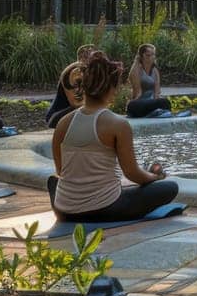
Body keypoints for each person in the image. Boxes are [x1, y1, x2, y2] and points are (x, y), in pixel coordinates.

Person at [47, 51, 180, 222]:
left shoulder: (63, 123)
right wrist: (154, 177)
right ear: (112, 88)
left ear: (84, 85)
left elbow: (60, 171)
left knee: (53, 181)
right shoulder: (118, 124)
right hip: (104, 209)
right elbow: (133, 174)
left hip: (64, 210)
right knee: (169, 188)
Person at [45, 44, 97, 128]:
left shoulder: (91, 71)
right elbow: (76, 103)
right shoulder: (74, 72)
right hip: (58, 116)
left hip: (77, 113)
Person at [125, 44, 174, 119]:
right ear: (143, 56)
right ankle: (156, 112)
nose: (153, 57)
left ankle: (157, 112)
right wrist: (136, 61)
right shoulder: (137, 70)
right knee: (134, 105)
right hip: (140, 102)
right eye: (149, 54)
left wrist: (156, 101)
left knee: (165, 102)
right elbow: (137, 93)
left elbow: (156, 92)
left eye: (153, 54)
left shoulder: (155, 70)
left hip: (152, 102)